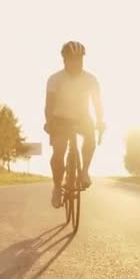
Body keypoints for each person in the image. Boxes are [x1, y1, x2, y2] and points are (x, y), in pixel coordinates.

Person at [44, 41, 105, 208]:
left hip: (82, 117)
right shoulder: (55, 79)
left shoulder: (91, 79)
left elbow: (98, 104)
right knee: (59, 151)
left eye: (80, 59)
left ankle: (84, 171)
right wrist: (49, 123)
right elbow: (49, 105)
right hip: (60, 118)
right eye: (73, 59)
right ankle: (57, 187)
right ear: (64, 61)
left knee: (90, 138)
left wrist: (100, 122)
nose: (77, 63)